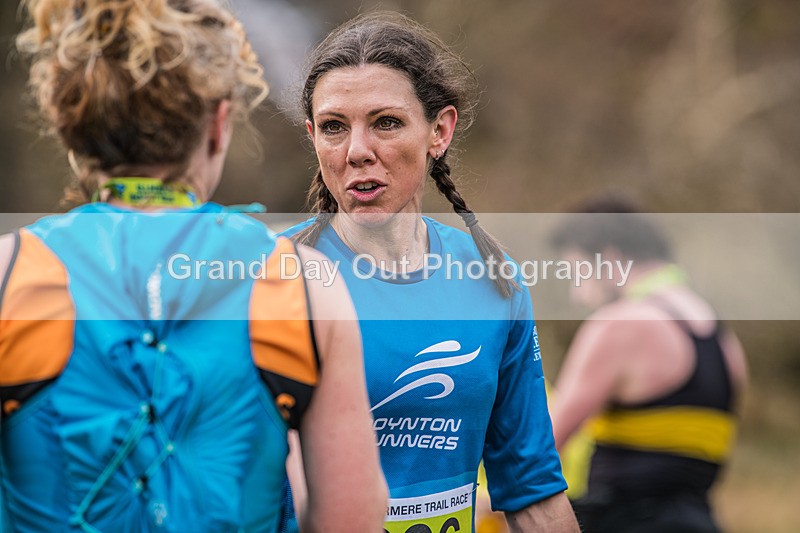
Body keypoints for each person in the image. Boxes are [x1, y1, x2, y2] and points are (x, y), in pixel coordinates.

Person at [1, 1, 386, 531]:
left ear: (73, 128)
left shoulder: (7, 275)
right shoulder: (305, 286)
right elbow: (352, 521)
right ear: (218, 123)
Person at [281, 11, 578, 533]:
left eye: (386, 123)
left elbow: (532, 492)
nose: (356, 152)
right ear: (312, 137)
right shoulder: (269, 277)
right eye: (333, 127)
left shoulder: (493, 278)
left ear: (438, 130)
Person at [549, 198, 748, 533]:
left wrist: (486, 505)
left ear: (608, 258)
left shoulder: (621, 325)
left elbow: (542, 446)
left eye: (577, 273)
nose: (577, 294)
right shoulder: (724, 341)